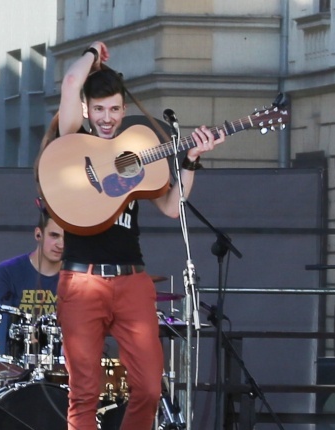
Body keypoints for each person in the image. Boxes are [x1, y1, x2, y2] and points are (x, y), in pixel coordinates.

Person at [47, 41, 225, 430]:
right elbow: (72, 80)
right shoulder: (73, 140)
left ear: (124, 110)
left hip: (131, 280)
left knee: (148, 388)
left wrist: (191, 160)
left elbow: (170, 206)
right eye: (99, 109)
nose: (106, 117)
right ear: (86, 111)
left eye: (113, 109)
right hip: (82, 279)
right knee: (84, 395)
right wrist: (93, 52)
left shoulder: (138, 151)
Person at [0, 208, 64, 358]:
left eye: (67, 238)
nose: (61, 244)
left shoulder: (78, 277)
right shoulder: (7, 272)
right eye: (54, 235)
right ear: (38, 234)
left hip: (61, 366)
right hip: (14, 363)